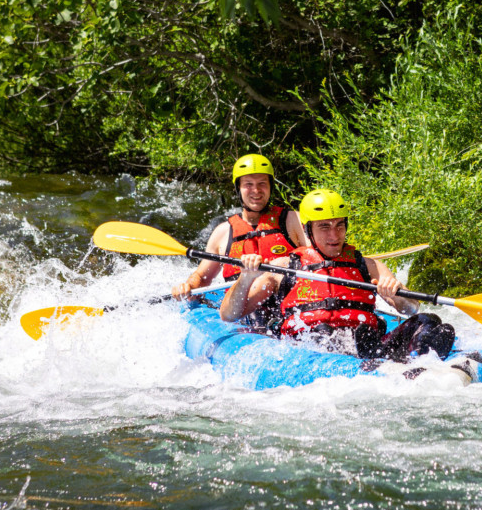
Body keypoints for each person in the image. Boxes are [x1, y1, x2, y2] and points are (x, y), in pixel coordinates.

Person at [219, 189, 455, 361]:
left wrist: (396, 294)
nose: (335, 235)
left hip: (363, 339)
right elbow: (230, 314)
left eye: (339, 225)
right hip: (316, 344)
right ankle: (378, 355)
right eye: (324, 227)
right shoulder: (284, 267)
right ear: (307, 229)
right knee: (327, 334)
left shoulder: (367, 265)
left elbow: (410, 309)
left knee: (427, 321)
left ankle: (425, 358)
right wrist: (246, 277)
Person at [171, 154, 306, 326]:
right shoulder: (223, 233)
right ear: (238, 189)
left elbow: (318, 257)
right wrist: (189, 286)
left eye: (262, 184)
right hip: (240, 314)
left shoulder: (292, 221)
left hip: (287, 310)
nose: (256, 191)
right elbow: (202, 277)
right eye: (248, 184)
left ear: (271, 187)